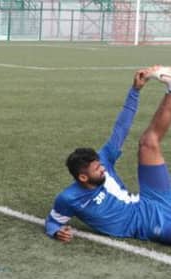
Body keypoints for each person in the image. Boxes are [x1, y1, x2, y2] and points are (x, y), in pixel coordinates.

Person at [46, 66, 171, 244]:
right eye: (97, 169)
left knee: (148, 143)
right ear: (83, 177)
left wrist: (135, 91)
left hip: (150, 198)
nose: (103, 168)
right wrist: (56, 231)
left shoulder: (103, 158)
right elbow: (53, 222)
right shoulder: (69, 198)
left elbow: (121, 127)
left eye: (100, 164)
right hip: (145, 223)